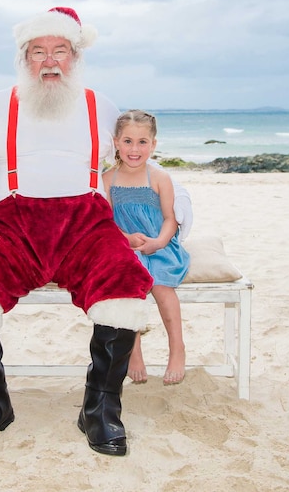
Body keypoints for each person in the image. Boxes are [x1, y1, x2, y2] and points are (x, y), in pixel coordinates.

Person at [0, 7, 193, 456]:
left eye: (60, 51)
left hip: (85, 224)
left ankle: (101, 405)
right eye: (38, 52)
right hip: (11, 225)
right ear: (23, 58)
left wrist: (178, 214)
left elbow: (141, 160)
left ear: (76, 55)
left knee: (125, 279)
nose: (50, 61)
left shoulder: (101, 106)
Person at [103, 110, 190, 386]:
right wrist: (126, 239)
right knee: (129, 284)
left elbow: (170, 218)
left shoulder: (159, 177)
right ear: (116, 142)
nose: (134, 149)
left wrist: (160, 241)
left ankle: (177, 349)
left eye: (142, 142)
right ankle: (134, 350)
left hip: (158, 244)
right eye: (128, 141)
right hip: (124, 246)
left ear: (153, 144)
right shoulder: (108, 180)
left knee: (162, 288)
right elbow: (105, 222)